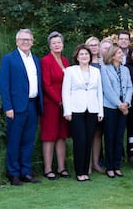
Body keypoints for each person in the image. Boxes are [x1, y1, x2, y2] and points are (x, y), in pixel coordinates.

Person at [0, 29, 43, 185]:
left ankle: (26, 172)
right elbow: (4, 85)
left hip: (33, 105)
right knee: (14, 141)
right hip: (16, 108)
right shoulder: (9, 59)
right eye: (23, 39)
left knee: (28, 141)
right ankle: (13, 174)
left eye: (29, 39)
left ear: (32, 41)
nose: (26, 42)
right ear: (17, 41)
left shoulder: (35, 59)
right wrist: (8, 107)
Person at [62, 44, 104, 182]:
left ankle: (86, 171)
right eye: (82, 54)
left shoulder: (96, 71)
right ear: (77, 57)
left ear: (90, 56)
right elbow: (65, 92)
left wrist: (100, 111)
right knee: (80, 140)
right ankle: (79, 172)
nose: (84, 56)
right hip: (76, 110)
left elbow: (99, 92)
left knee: (89, 140)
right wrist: (67, 111)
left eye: (86, 54)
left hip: (92, 110)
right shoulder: (70, 71)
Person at [40, 31, 70, 180]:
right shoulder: (45, 61)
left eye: (59, 42)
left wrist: (67, 102)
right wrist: (59, 101)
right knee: (49, 136)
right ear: (49, 45)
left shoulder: (65, 61)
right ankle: (47, 168)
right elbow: (46, 84)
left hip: (65, 104)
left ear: (62, 44)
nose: (57, 45)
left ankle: (61, 167)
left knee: (62, 135)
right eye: (54, 43)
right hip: (51, 104)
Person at [101, 46, 133, 178]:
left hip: (124, 106)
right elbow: (107, 89)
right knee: (109, 137)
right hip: (111, 107)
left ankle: (117, 165)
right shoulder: (105, 69)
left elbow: (130, 87)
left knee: (119, 137)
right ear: (112, 55)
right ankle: (109, 167)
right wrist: (120, 104)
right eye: (119, 53)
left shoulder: (125, 69)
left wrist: (126, 103)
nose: (122, 55)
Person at [85, 36, 105, 174]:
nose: (93, 47)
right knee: (87, 133)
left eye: (96, 45)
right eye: (90, 45)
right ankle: (86, 164)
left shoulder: (104, 62)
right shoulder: (83, 61)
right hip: (87, 102)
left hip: (103, 102)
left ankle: (96, 163)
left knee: (98, 134)